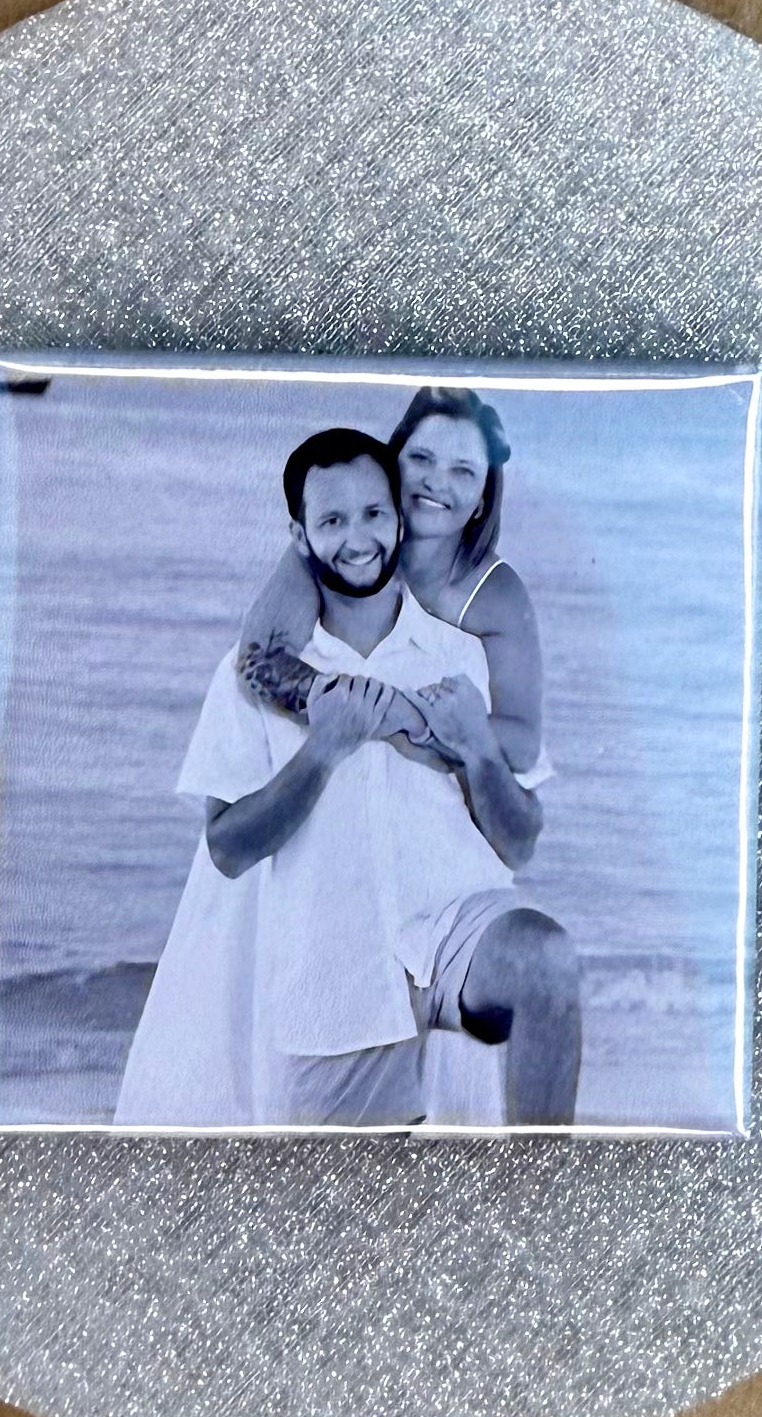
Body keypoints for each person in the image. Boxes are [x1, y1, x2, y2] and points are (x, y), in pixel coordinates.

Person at [113, 429, 581, 1129]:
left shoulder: (462, 656)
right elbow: (228, 848)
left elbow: (519, 843)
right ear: (299, 537)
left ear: (399, 519)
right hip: (332, 980)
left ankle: (543, 1185)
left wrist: (479, 753)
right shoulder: (248, 679)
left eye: (372, 514)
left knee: (546, 961)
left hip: (453, 931)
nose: (357, 539)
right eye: (332, 520)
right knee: (343, 1188)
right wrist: (323, 751)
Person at [237, 386, 544, 778]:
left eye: (462, 471)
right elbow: (257, 662)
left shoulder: (495, 594)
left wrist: (394, 716)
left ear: (482, 500)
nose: (436, 482)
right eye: (421, 459)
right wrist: (396, 714)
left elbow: (524, 747)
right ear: (392, 460)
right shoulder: (343, 550)